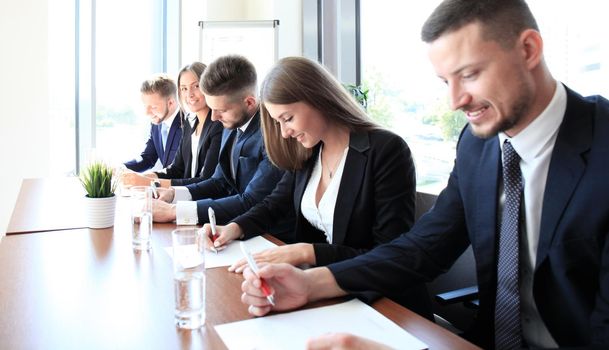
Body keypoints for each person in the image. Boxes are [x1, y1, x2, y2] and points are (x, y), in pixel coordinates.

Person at [241, 0, 609, 349]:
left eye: (469, 75)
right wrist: (310, 283)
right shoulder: (478, 145)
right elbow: (424, 247)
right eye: (444, 81)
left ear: (528, 49)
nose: (455, 101)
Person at [203, 57, 432, 319]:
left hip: (384, 304)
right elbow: (274, 204)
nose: (285, 132)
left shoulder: (386, 150)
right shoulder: (310, 150)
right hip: (333, 293)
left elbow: (388, 252)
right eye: (278, 122)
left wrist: (305, 252)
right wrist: (232, 228)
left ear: (317, 98)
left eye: (287, 118)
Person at [152, 55, 289, 232]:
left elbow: (251, 201)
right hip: (233, 228)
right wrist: (174, 194)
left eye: (221, 110)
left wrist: (174, 211)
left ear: (249, 102)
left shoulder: (274, 134)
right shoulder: (231, 122)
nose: (214, 117)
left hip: (270, 236)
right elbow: (219, 182)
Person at [121, 62, 223, 187]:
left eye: (196, 86)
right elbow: (176, 170)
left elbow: (207, 180)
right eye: (184, 88)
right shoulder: (190, 123)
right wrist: (139, 177)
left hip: (202, 201)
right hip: (184, 196)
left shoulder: (218, 126)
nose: (189, 94)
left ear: (208, 86)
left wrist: (149, 182)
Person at [124, 74, 183, 172]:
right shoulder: (157, 124)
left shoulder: (187, 125)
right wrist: (123, 168)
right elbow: (148, 158)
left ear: (171, 103)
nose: (147, 113)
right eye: (145, 106)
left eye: (153, 107)